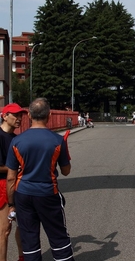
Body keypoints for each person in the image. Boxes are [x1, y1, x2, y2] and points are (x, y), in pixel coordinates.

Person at [6, 98, 74, 261]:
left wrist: (11, 204)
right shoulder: (57, 140)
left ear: (28, 115)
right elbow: (66, 171)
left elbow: (10, 178)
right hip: (48, 192)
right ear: (49, 115)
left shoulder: (16, 141)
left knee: (29, 239)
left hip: (23, 194)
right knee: (58, 236)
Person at [0, 103, 26, 261]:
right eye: (15, 115)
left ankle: (22, 257)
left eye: (21, 115)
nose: (19, 118)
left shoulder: (16, 138)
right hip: (2, 185)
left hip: (17, 184)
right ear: (5, 116)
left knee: (23, 226)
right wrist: (16, 169)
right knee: (5, 229)